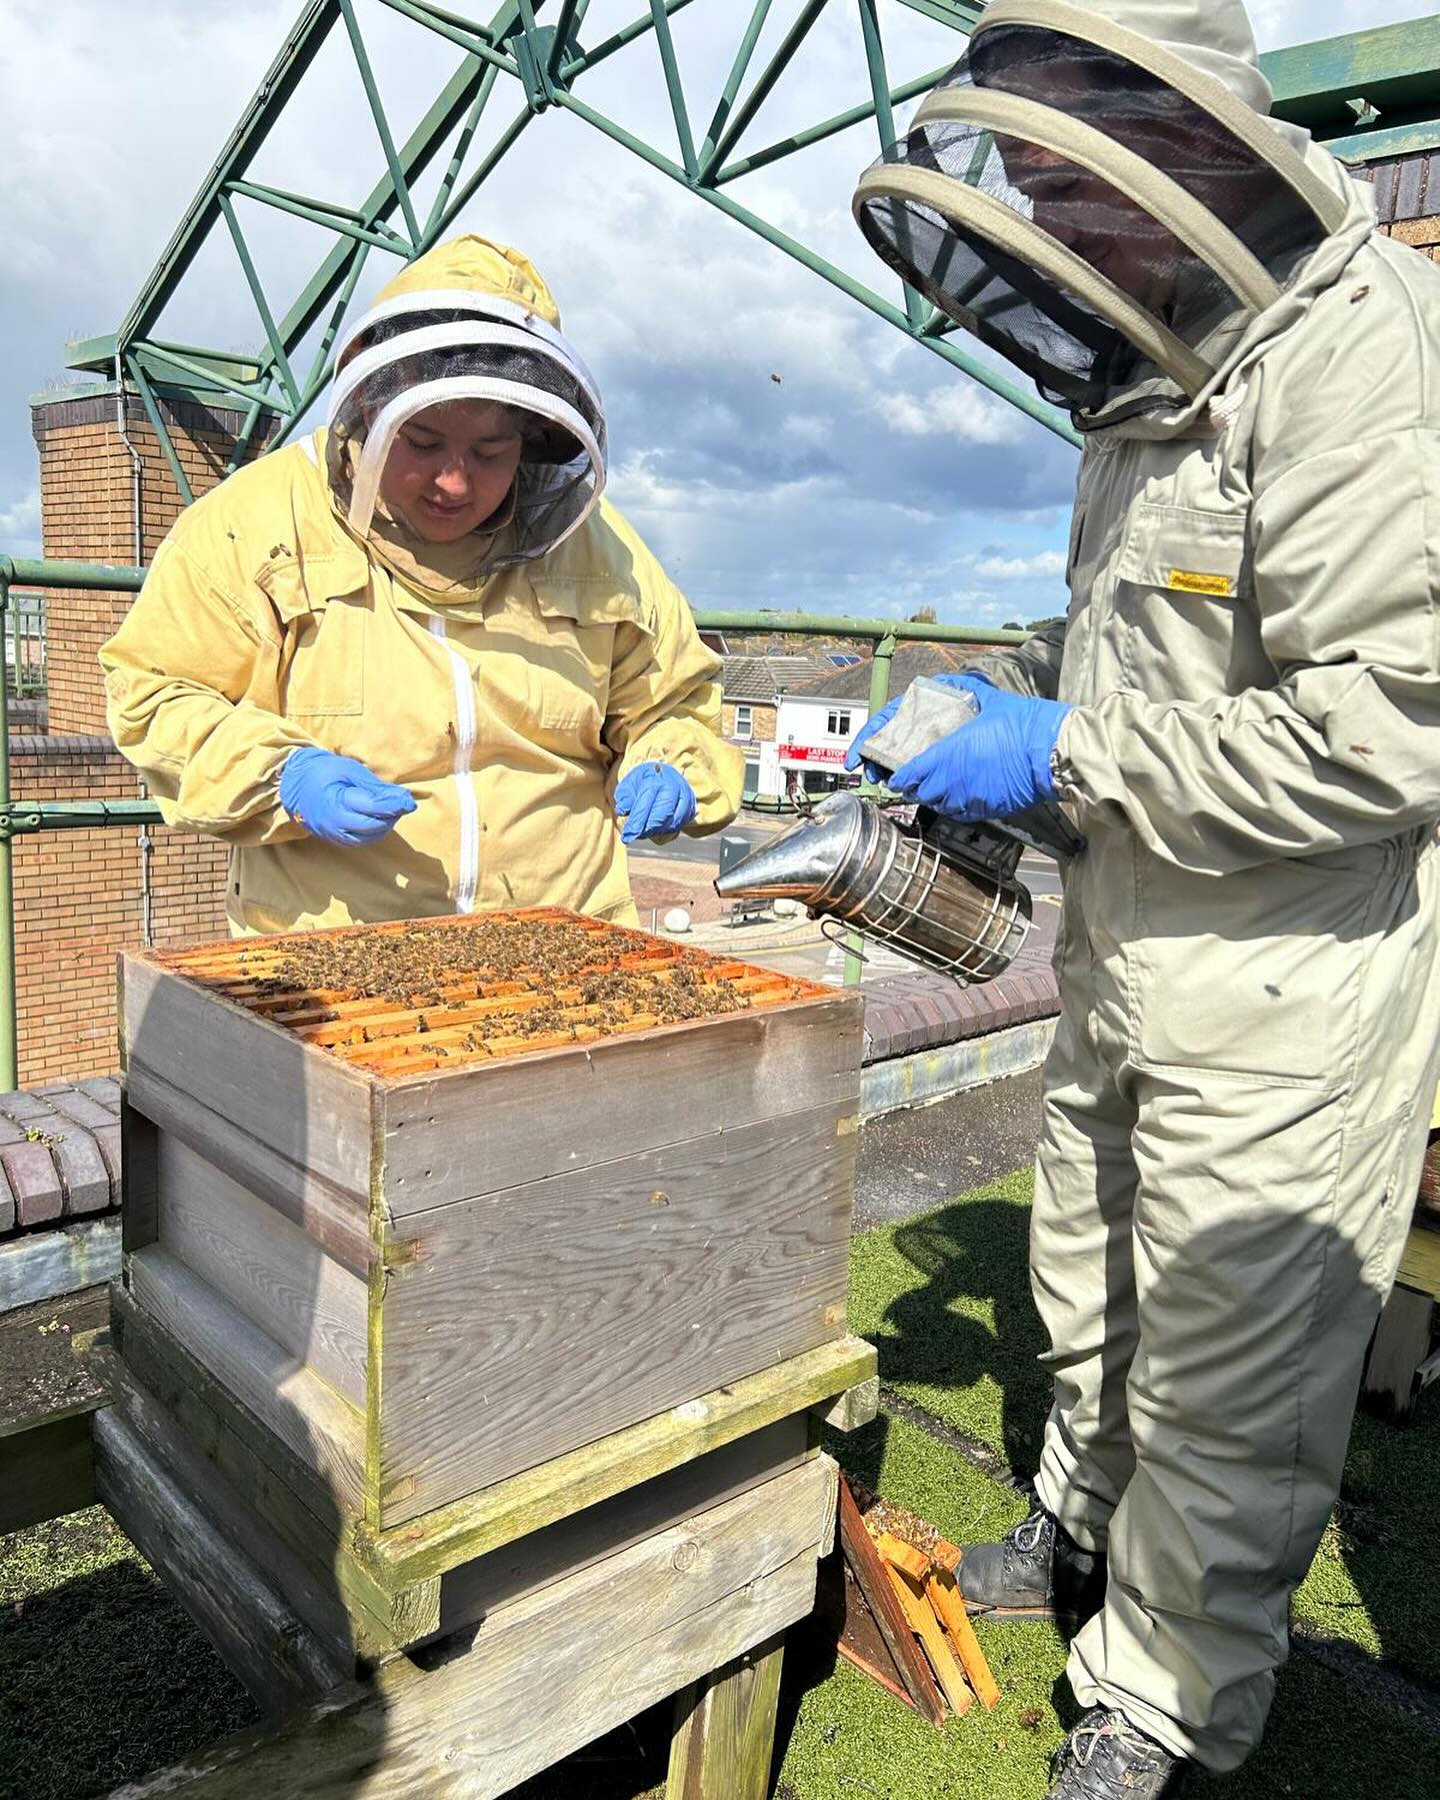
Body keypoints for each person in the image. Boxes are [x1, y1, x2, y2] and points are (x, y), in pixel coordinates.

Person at [847, 2, 1440, 1793]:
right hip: (1128, 947)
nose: (1044, 212)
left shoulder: (1359, 354)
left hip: (1287, 983)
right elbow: (1154, 659)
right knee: (1091, 1286)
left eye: (1059, 170)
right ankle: (1081, 1539)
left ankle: (1165, 1713)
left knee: (1226, 1371)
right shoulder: (1146, 374)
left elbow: (1390, 728)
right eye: (1018, 175)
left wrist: (1064, 757)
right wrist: (996, 706)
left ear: (1179, 137)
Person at [101, 235, 743, 935]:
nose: (455, 482)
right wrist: (282, 773)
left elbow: (674, 698)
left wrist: (670, 761)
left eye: (490, 452)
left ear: (530, 438)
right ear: (371, 409)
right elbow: (156, 694)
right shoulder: (253, 524)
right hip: (333, 950)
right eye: (426, 443)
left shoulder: (597, 547)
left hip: (561, 938)